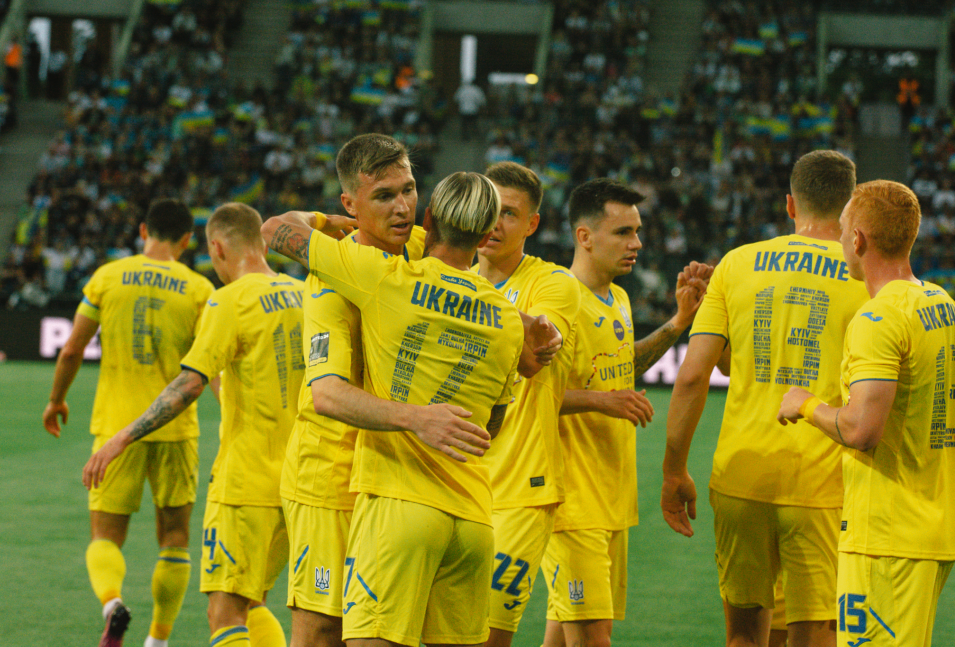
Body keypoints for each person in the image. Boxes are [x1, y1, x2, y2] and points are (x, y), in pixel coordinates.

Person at [262, 172, 530, 647]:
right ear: (489, 232)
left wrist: (328, 220)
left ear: (428, 219)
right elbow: (491, 423)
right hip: (472, 520)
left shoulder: (389, 278)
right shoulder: (510, 320)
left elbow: (276, 232)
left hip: (398, 507)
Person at [662, 150, 866, 647]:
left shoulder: (737, 263)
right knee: (815, 632)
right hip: (822, 482)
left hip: (740, 475)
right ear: (850, 210)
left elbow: (693, 376)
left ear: (791, 204)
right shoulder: (867, 279)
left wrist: (674, 469)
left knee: (745, 637)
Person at [778, 180, 955, 647]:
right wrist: (911, 425)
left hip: (886, 538)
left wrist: (805, 404)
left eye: (842, 233)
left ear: (857, 240)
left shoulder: (877, 320)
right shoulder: (949, 309)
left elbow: (860, 431)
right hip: (935, 532)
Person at [82, 202, 304, 647]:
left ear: (217, 248)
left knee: (225, 611)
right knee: (255, 601)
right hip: (299, 482)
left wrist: (122, 436)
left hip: (246, 484)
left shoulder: (230, 299)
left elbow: (190, 383)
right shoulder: (305, 295)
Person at [542, 178, 708, 647]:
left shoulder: (617, 297)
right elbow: (524, 391)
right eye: (623, 232)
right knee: (595, 639)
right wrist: (602, 400)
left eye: (637, 231)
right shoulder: (558, 299)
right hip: (571, 502)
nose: (637, 243)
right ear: (584, 237)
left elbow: (621, 363)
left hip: (611, 497)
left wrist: (678, 322)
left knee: (560, 638)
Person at [43, 199, 214, 647]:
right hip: (176, 429)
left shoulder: (107, 276)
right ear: (185, 240)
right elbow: (211, 368)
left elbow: (72, 349)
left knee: (105, 535)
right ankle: (157, 641)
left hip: (115, 429)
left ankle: (112, 604)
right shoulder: (198, 289)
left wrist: (56, 400)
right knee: (175, 538)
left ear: (142, 230)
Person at [472, 162, 584, 647]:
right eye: (487, 211)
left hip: (520, 488)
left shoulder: (553, 283)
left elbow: (538, 350)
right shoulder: (444, 273)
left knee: (488, 636)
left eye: (510, 215)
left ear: (532, 225)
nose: (494, 224)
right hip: (448, 478)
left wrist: (450, 298)